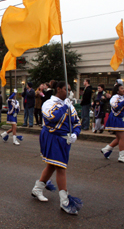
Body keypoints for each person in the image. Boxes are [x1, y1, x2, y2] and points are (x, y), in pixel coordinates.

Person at [31, 81, 82, 215]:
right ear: (58, 89)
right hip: (52, 138)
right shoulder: (48, 103)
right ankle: (65, 202)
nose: (69, 93)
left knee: (52, 166)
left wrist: (75, 134)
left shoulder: (69, 105)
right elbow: (52, 117)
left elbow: (77, 122)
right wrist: (65, 106)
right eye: (67, 89)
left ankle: (37, 189)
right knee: (60, 167)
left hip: (65, 141)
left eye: (70, 90)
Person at [102, 83, 124, 163]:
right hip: (116, 118)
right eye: (121, 88)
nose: (123, 90)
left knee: (119, 138)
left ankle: (106, 149)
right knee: (123, 136)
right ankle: (121, 156)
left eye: (123, 88)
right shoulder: (114, 97)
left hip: (123, 119)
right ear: (117, 90)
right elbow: (115, 108)